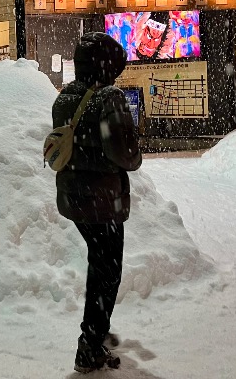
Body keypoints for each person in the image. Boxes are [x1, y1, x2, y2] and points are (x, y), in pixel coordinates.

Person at [51, 32, 142, 373]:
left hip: (74, 198)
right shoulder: (109, 98)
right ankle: (90, 345)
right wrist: (135, 150)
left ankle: (95, 329)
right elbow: (125, 153)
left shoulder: (64, 100)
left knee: (99, 264)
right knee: (108, 272)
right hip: (103, 201)